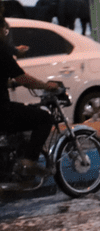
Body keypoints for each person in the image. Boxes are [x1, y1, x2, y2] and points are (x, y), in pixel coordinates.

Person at [1, 13, 60, 177]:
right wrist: (46, 86)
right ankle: (29, 162)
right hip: (2, 110)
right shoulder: (2, 52)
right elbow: (24, 78)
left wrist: (9, 83)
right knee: (44, 118)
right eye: (5, 31)